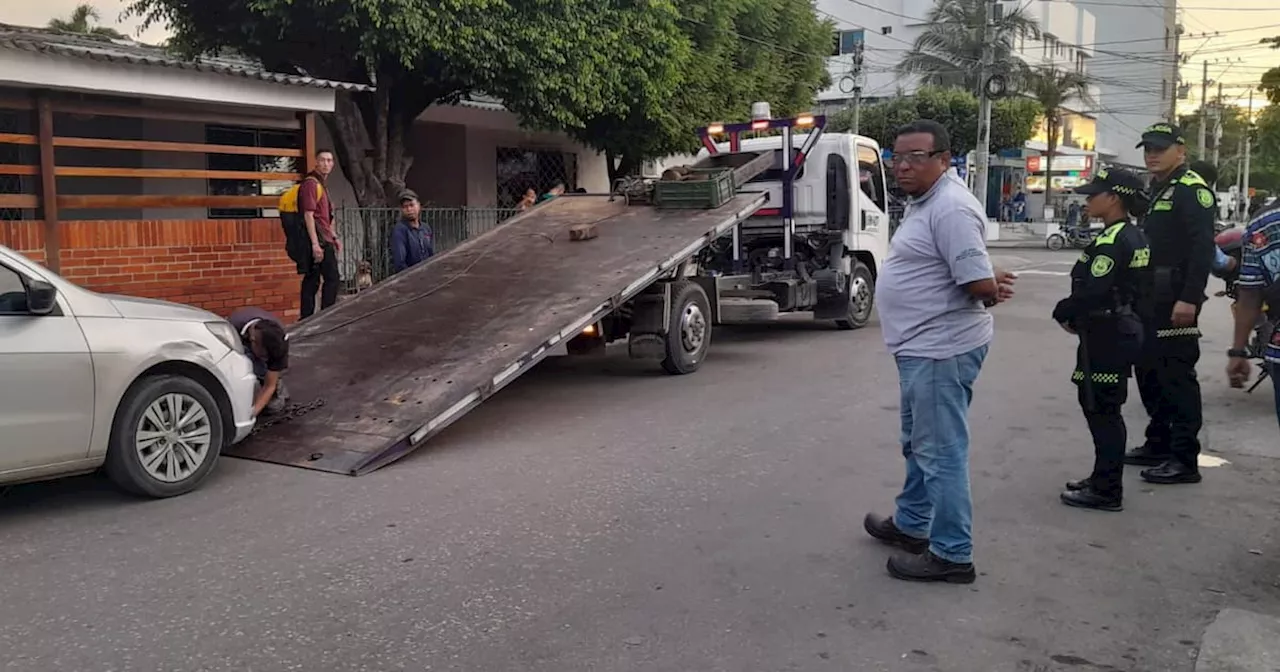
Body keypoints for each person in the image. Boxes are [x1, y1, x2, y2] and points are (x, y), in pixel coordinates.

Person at [862, 119, 1017, 584]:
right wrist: (988, 280)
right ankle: (912, 524)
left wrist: (990, 286)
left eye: (916, 157)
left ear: (944, 161)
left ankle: (952, 554)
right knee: (919, 445)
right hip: (920, 346)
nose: (903, 166)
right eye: (897, 157)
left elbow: (974, 282)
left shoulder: (949, 207)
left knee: (940, 451)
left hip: (939, 348)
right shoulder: (925, 202)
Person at [1052, 168, 1154, 512]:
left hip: (1106, 334)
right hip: (1118, 328)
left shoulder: (1113, 241)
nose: (1087, 199)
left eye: (1094, 194)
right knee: (1102, 407)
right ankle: (1101, 478)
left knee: (1102, 410)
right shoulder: (1134, 235)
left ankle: (1107, 489)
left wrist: (1063, 311)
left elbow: (1094, 291)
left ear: (1113, 198)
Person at [1123, 123, 1216, 485]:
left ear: (1181, 149)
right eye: (1147, 148)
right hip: (1150, 295)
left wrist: (1190, 298)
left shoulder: (1192, 191)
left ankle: (1184, 458)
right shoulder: (1158, 188)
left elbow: (1202, 249)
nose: (1152, 154)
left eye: (1160, 148)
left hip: (1176, 296)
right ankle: (1158, 441)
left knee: (1176, 374)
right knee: (1149, 370)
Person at [1226, 203, 1280, 428]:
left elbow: (1250, 296)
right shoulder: (1262, 224)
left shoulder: (1262, 223)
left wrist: (1238, 352)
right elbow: (1249, 294)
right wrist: (1237, 351)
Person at [299, 148, 341, 319]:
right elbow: (308, 214)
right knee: (332, 279)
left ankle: (308, 317)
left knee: (312, 280)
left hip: (325, 237)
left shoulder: (321, 185)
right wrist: (316, 244)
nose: (326, 164)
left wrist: (335, 236)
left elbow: (326, 217)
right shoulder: (311, 184)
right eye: (322, 160)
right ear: (316, 162)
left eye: (329, 160)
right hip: (319, 241)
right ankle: (325, 317)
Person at [227, 306, 290, 417]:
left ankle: (276, 383)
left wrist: (252, 414)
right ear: (253, 341)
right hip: (239, 342)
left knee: (273, 406)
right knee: (246, 365)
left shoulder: (280, 338)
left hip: (256, 341)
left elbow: (269, 386)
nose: (265, 358)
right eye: (264, 355)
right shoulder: (231, 330)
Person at [390, 189, 435, 274]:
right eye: (405, 207)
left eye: (411, 205)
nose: (409, 209)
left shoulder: (426, 228)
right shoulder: (400, 230)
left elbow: (431, 255)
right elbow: (400, 263)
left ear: (419, 206)